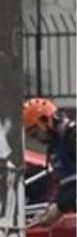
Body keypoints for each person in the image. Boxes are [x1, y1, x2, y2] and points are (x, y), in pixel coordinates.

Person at [23, 97, 77, 226]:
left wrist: (59, 208)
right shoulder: (57, 145)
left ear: (44, 121)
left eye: (35, 134)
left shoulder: (72, 136)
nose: (37, 140)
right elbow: (67, 185)